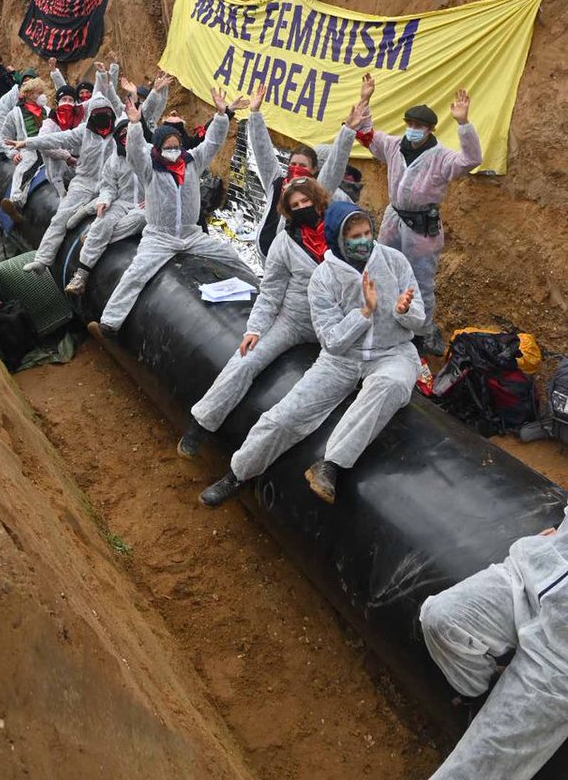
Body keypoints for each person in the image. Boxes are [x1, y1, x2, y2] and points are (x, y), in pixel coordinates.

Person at [200, 200, 425, 508]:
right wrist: (365, 312)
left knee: (393, 384)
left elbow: (418, 319)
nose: (363, 240)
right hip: (342, 359)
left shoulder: (395, 262)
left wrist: (404, 311)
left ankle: (330, 464)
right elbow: (331, 341)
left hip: (392, 352)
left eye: (367, 232)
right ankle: (238, 474)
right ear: (337, 238)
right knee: (285, 416)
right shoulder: (324, 279)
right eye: (354, 235)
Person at [177, 175, 331, 459]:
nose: (302, 208)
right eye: (295, 205)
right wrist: (256, 330)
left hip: (330, 327)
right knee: (246, 361)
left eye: (306, 201)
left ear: (318, 201)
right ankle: (201, 423)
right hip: (293, 321)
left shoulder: (340, 235)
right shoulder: (285, 243)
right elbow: (271, 291)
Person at [419, 515, 568, 780]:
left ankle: (500, 728)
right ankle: (482, 697)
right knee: (440, 618)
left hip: (560, 653)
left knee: (470, 771)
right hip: (538, 569)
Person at [90, 88, 247, 339]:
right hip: (159, 237)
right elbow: (134, 153)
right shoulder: (150, 168)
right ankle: (109, 323)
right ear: (159, 148)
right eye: (168, 147)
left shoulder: (193, 161)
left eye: (176, 146)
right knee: (136, 273)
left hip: (191, 235)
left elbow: (214, 143)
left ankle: (256, 293)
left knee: (230, 255)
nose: (173, 150)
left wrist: (221, 115)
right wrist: (133, 124)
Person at [359, 75, 482, 356]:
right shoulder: (394, 146)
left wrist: (464, 124)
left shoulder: (441, 157)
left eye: (420, 126)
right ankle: (382, 315)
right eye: (411, 125)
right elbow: (366, 134)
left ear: (430, 129)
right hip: (394, 218)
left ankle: (421, 332)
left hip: (423, 227)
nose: (414, 130)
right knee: (381, 266)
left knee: (421, 279)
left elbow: (471, 160)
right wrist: (365, 99)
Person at [247, 82, 367, 262]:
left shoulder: (319, 190)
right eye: (293, 163)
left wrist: (348, 131)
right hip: (269, 259)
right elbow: (262, 152)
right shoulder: (277, 183)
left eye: (302, 165)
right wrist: (255, 115)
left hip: (302, 265)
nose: (296, 168)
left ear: (314, 170)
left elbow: (335, 165)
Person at [8, 96, 119, 270]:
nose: (102, 118)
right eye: (97, 114)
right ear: (91, 116)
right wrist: (28, 143)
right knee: (60, 217)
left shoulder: (119, 131)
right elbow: (56, 139)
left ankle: (81, 220)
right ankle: (42, 260)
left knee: (104, 218)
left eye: (105, 113)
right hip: (84, 182)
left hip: (109, 186)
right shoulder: (84, 131)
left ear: (112, 113)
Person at [64, 117, 148, 296]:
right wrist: (105, 201)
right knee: (103, 221)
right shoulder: (114, 160)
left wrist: (153, 198)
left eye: (130, 133)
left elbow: (162, 180)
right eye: (122, 134)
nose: (127, 137)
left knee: (140, 218)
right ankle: (81, 276)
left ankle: (93, 236)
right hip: (122, 202)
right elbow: (108, 186)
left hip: (144, 204)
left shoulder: (150, 153)